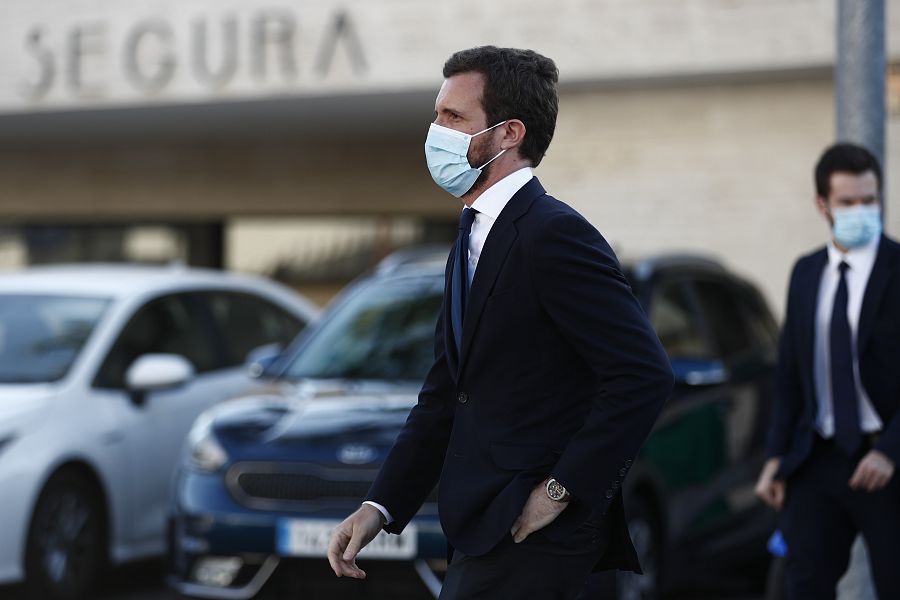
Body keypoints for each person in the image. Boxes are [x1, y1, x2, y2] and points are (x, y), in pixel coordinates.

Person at [326, 45, 673, 599]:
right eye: (436, 115)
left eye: (453, 118)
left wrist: (559, 491)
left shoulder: (553, 233)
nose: (435, 132)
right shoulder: (469, 235)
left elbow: (643, 374)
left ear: (509, 133)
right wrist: (380, 506)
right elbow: (445, 391)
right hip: (479, 526)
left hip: (536, 532)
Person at [755, 142, 900, 599]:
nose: (862, 210)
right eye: (849, 202)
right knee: (804, 585)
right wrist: (776, 457)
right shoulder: (807, 272)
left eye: (870, 200)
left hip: (888, 461)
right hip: (817, 458)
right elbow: (791, 375)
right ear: (823, 205)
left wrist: (890, 451)